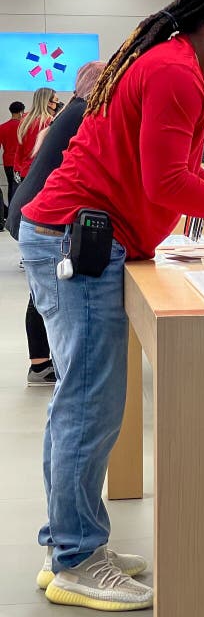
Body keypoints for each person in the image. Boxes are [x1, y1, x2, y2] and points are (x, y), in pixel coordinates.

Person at [18, 0, 204, 613]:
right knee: (89, 403)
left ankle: (69, 543)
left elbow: (154, 176)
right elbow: (168, 181)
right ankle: (75, 559)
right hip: (79, 240)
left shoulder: (169, 65)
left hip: (86, 236)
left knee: (87, 402)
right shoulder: (174, 72)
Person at [8, 63, 106, 388]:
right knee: (47, 294)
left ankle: (40, 363)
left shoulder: (71, 111)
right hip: (41, 217)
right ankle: (42, 364)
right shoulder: (83, 116)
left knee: (42, 293)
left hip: (28, 209)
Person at [14, 88, 59, 182]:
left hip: (26, 172)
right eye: (56, 101)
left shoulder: (25, 121)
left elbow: (20, 149)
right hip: (44, 173)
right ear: (48, 103)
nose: (58, 104)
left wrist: (17, 168)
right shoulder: (51, 122)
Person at [0, 100, 24, 220]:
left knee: (11, 186)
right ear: (21, 112)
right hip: (20, 162)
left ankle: (10, 213)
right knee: (21, 188)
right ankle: (18, 213)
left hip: (7, 162)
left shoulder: (2, 127)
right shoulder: (23, 127)